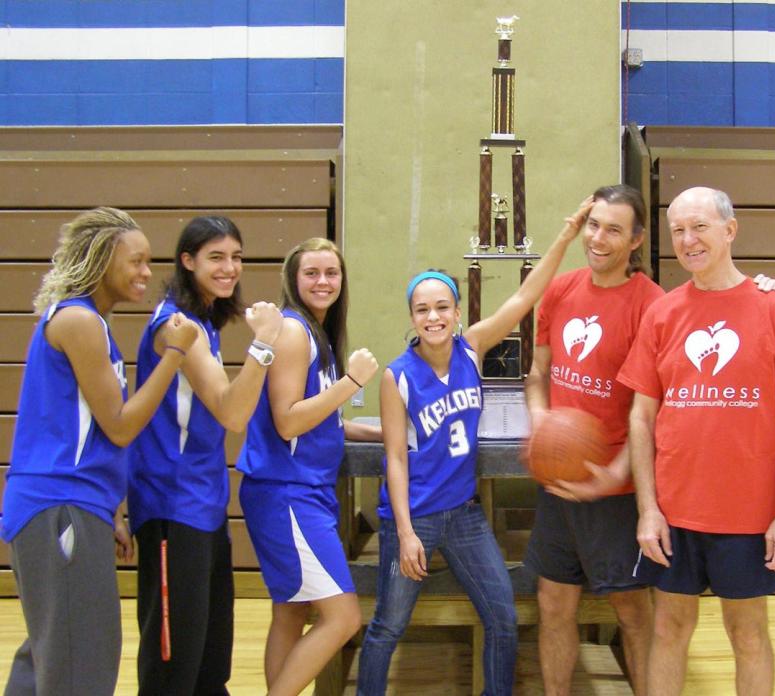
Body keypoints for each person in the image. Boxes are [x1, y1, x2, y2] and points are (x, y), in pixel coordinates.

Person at [357, 198, 589, 696]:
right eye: (423, 309)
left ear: (458, 312)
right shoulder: (397, 376)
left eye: (443, 307)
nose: (434, 316)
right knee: (387, 625)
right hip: (414, 516)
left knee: (503, 617)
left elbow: (526, 296)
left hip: (463, 515)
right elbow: (395, 458)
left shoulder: (472, 346)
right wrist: (404, 533)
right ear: (412, 316)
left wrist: (566, 237)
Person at [618, 187, 775, 696]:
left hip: (750, 514)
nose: (688, 241)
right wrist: (648, 509)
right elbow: (641, 418)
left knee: (748, 633)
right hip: (674, 512)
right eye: (679, 231)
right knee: (668, 628)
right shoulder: (663, 314)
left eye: (700, 228)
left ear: (729, 230)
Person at [2, 208, 197, 696]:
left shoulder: (91, 324)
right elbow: (121, 425)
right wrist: (174, 354)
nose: (146, 273)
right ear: (102, 258)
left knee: (52, 654)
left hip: (71, 506)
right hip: (58, 507)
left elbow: (86, 433)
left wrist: (108, 509)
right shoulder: (77, 321)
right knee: (80, 662)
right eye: (135, 261)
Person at [127, 216, 284, 695]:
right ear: (187, 260)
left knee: (210, 660)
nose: (230, 267)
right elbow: (233, 413)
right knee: (173, 663)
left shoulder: (202, 323)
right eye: (216, 257)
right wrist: (264, 344)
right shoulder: (177, 327)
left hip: (204, 505)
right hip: (172, 507)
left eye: (236, 256)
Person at [522, 184, 663, 695]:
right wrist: (541, 421)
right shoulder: (559, 291)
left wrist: (617, 472)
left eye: (614, 230)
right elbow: (539, 374)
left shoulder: (654, 306)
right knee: (553, 604)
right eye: (594, 225)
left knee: (632, 611)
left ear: (636, 240)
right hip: (559, 482)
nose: (599, 238)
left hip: (615, 493)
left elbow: (654, 410)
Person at [237, 237, 381, 696]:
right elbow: (287, 421)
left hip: (298, 491)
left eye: (331, 273)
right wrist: (353, 381)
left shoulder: (317, 333)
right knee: (343, 617)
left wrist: (386, 431)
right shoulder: (294, 330)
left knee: (291, 611)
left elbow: (321, 421)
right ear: (293, 280)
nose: (323, 281)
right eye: (312, 273)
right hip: (286, 493)